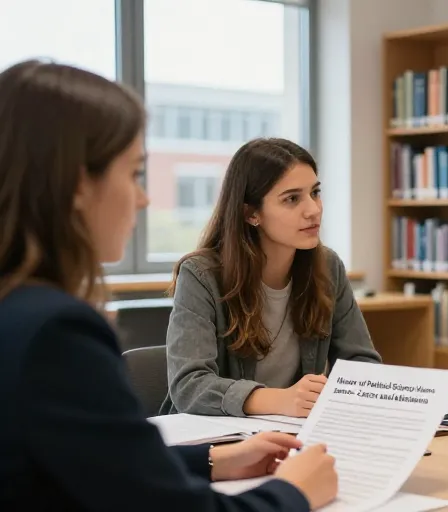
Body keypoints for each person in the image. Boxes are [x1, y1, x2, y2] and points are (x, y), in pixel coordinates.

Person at [0, 60, 338, 510]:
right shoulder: (56, 333)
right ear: (80, 184)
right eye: (134, 173)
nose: (144, 198)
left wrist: (212, 460)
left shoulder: (17, 312)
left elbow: (101, 466)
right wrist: (293, 492)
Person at [162, 138, 382, 418]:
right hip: (213, 442)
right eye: (292, 199)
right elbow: (189, 387)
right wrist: (280, 401)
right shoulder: (202, 275)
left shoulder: (328, 267)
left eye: (315, 193)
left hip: (291, 434)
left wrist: (342, 394)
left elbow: (361, 364)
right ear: (251, 213)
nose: (313, 209)